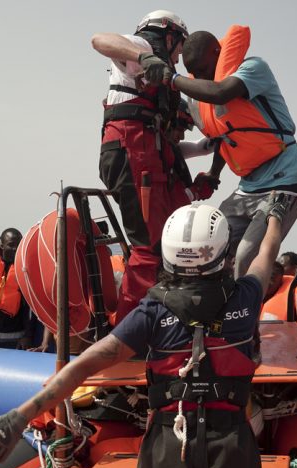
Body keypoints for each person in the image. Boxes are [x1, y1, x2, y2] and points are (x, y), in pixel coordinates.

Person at [0, 197, 290, 468]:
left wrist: (21, 416)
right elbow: (266, 254)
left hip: (170, 450)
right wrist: (274, 216)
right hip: (232, 449)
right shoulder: (246, 299)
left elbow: (82, 367)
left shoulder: (152, 312)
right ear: (222, 251)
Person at [164, 27, 297, 278]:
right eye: (194, 73)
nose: (200, 76)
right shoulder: (200, 96)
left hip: (284, 177)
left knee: (245, 256)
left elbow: (222, 92)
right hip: (249, 184)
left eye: (203, 68)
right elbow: (224, 137)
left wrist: (172, 79)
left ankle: (246, 316)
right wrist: (213, 172)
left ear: (217, 52)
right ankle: (216, 313)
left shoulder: (253, 68)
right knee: (213, 246)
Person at [92, 10, 202, 320]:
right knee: (148, 250)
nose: (179, 55)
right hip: (132, 156)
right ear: (169, 36)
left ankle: (157, 321)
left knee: (165, 245)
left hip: (147, 159)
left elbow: (173, 142)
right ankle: (128, 335)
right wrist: (146, 58)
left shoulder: (166, 82)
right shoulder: (142, 46)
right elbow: (100, 40)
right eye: (179, 46)